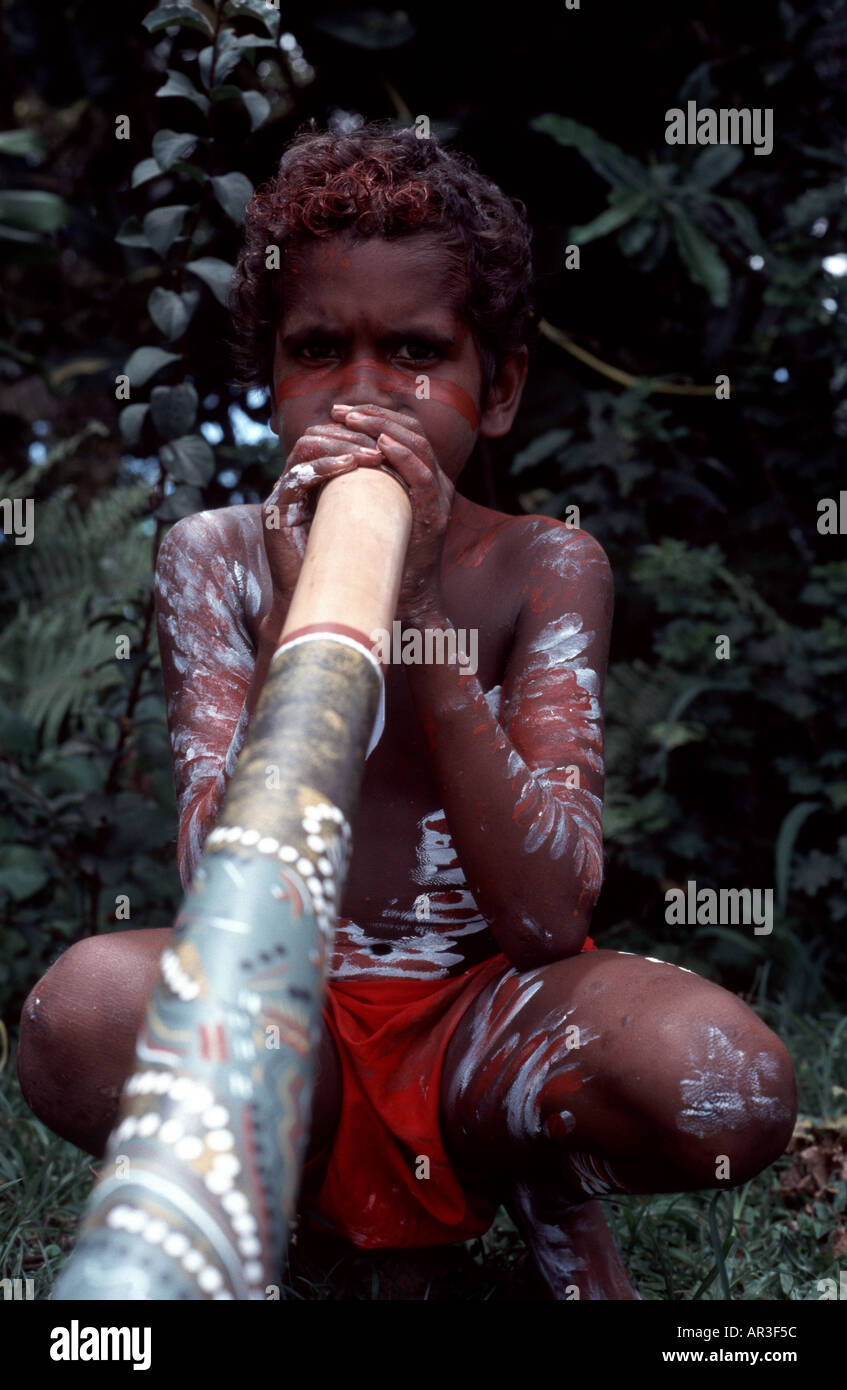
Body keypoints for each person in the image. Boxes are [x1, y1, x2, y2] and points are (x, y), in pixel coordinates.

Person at [17, 120, 797, 1299]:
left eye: (417, 352)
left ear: (500, 390)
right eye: (317, 348)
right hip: (292, 1026)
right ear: (267, 377)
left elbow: (546, 914)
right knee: (76, 1009)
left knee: (723, 1078)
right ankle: (295, 1206)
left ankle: (532, 1172)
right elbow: (223, 894)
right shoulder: (212, 558)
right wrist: (295, 628)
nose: (363, 396)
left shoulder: (545, 565)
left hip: (483, 1024)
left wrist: (420, 611)